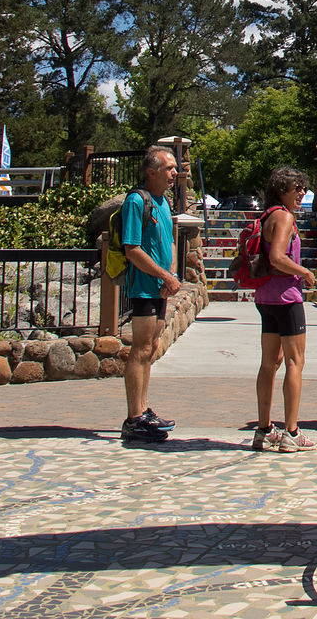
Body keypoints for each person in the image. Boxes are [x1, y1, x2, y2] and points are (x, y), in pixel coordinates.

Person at [251, 166, 317, 453]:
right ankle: (292, 432)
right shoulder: (285, 217)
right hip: (287, 298)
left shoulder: (266, 216)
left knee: (270, 363)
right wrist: (304, 272)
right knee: (295, 362)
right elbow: (278, 257)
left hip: (265, 297)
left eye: (303, 188)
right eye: (297, 188)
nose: (302, 193)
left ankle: (264, 429)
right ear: (282, 191)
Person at [120, 145, 182, 443]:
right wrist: (164, 276)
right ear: (151, 171)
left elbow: (166, 243)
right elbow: (132, 249)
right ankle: (134, 418)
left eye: (175, 167)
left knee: (152, 347)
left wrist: (169, 278)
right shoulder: (136, 201)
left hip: (159, 288)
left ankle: (143, 411)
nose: (175, 173)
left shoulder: (163, 203)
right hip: (144, 287)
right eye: (169, 168)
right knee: (141, 349)